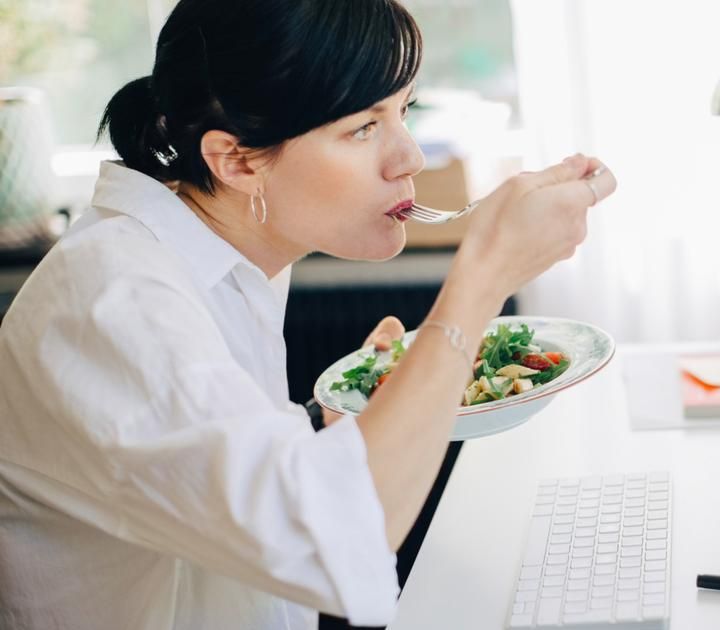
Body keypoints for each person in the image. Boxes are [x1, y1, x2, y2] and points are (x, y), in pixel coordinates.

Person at [0, 0, 616, 628]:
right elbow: (326, 540)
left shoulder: (222, 251)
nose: (409, 159)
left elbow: (220, 467)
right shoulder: (114, 301)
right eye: (363, 128)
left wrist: (347, 414)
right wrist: (484, 278)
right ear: (236, 160)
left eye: (402, 111)